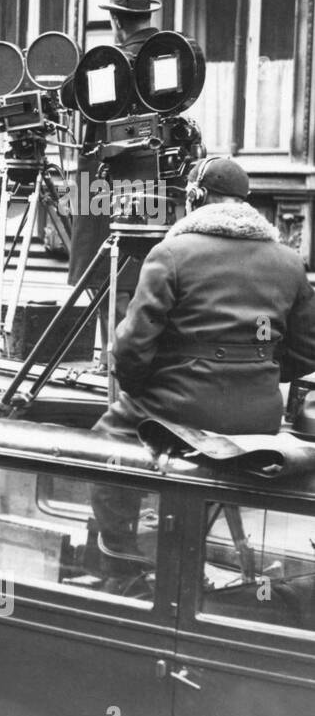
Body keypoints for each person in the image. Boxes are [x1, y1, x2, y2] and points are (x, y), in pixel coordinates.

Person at [91, 157, 315, 578]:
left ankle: (120, 559)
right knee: (213, 462)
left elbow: (132, 350)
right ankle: (188, 549)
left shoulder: (172, 253)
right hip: (259, 414)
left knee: (106, 442)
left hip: (182, 407)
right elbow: (307, 352)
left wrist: (143, 388)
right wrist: (257, 369)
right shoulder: (289, 261)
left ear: (197, 198)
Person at [68, 0, 165, 320]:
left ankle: (111, 362)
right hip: (155, 179)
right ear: (147, 16)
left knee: (105, 271)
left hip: (102, 179)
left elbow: (71, 96)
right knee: (145, 267)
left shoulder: (108, 63)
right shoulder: (172, 54)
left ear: (116, 21)